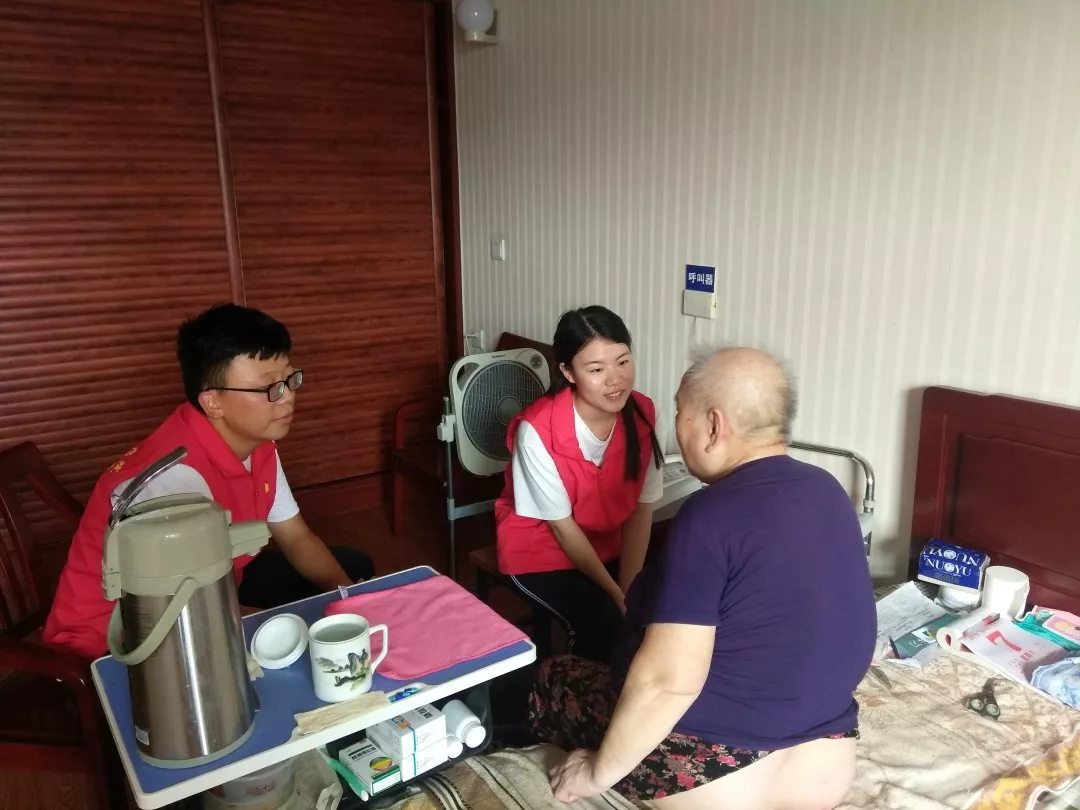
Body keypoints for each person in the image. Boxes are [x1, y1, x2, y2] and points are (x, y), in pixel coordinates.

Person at [535, 347, 876, 809]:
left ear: (714, 426)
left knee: (555, 676)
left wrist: (595, 772)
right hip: (825, 770)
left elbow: (668, 680)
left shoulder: (709, 515)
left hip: (714, 781)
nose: (676, 426)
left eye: (681, 413)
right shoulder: (829, 490)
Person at [44, 304, 375, 659]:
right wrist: (275, 627)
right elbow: (185, 615)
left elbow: (295, 536)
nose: (288, 396)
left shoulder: (258, 441)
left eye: (290, 380)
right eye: (269, 388)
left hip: (215, 581)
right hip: (123, 640)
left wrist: (350, 605)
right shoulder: (174, 482)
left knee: (348, 572)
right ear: (213, 401)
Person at [494, 306, 665, 664]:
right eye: (597, 369)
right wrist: (617, 598)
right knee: (604, 626)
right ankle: (573, 692)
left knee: (659, 609)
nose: (615, 379)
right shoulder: (537, 430)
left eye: (623, 361)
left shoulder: (645, 414)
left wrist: (629, 590)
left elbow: (641, 509)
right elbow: (562, 528)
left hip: (606, 542)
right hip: (540, 550)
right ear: (568, 372)